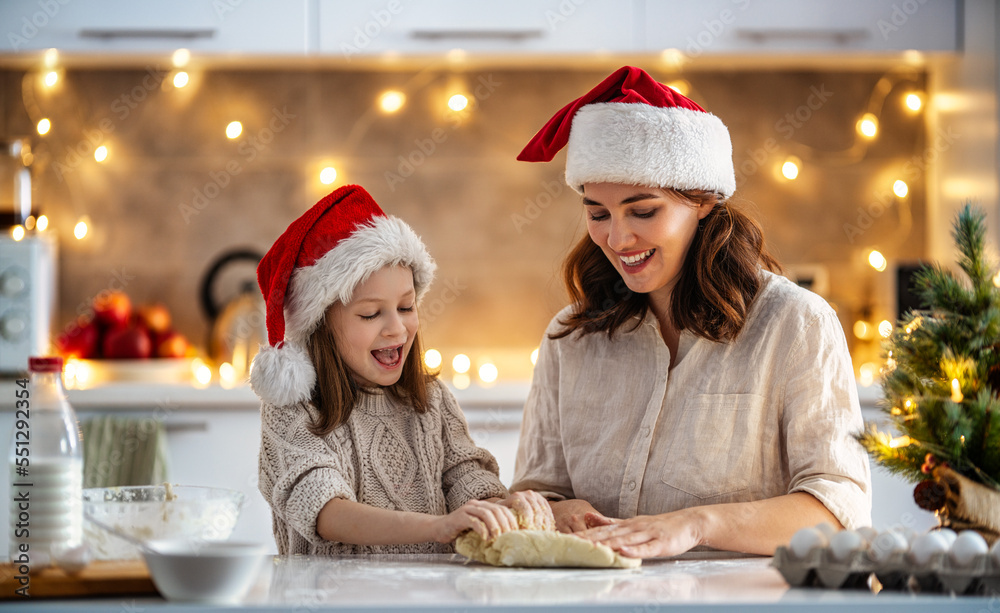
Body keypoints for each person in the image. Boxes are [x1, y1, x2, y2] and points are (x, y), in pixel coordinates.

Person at [511, 66, 872, 559]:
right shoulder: (569, 339)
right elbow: (534, 495)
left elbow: (838, 511)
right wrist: (555, 510)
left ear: (702, 201)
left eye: (643, 212)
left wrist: (698, 525)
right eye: (598, 214)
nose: (617, 240)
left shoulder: (795, 324)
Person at [251, 184, 552, 555]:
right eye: (371, 313)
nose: (397, 328)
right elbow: (327, 512)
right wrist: (439, 526)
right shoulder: (295, 410)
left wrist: (498, 509)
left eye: (407, 307)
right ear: (321, 326)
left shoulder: (432, 400)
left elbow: (465, 477)